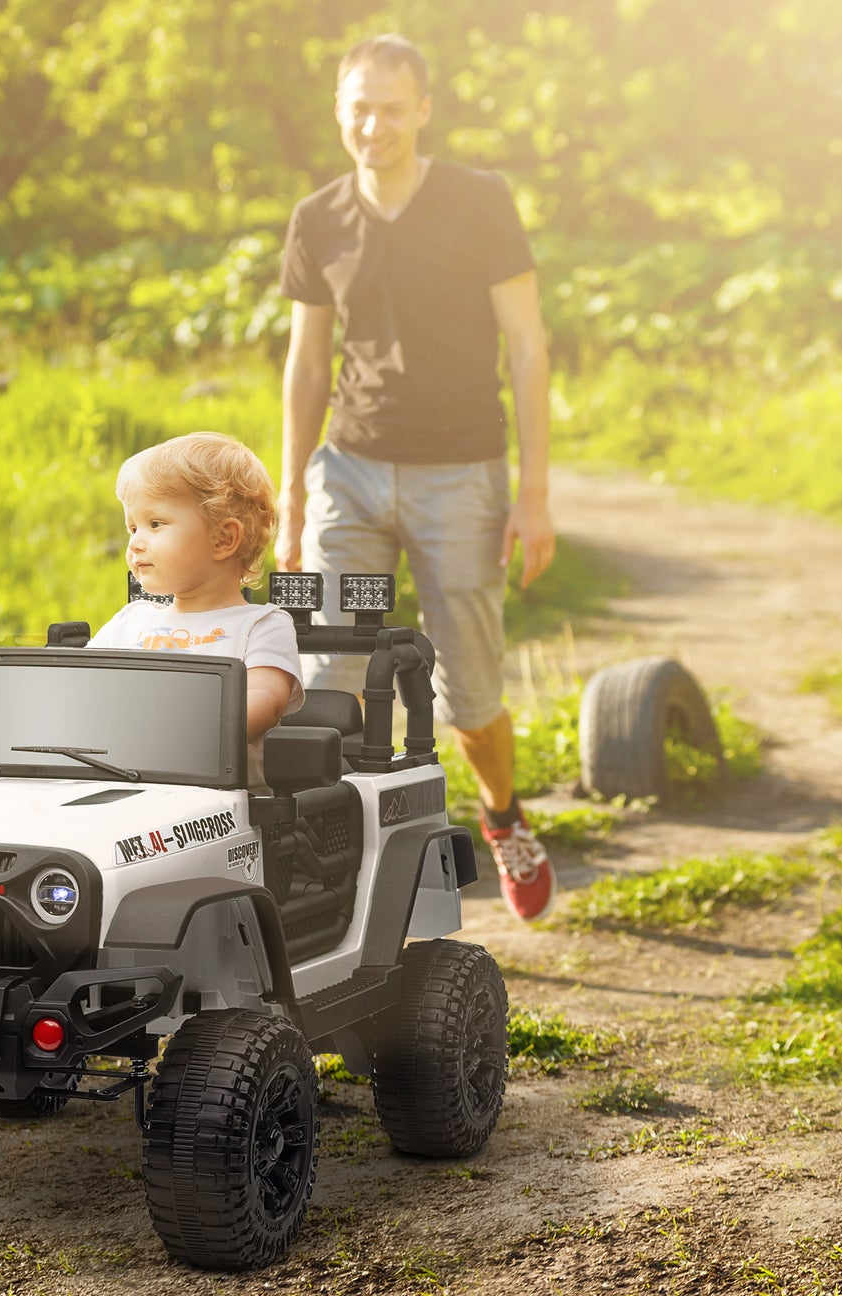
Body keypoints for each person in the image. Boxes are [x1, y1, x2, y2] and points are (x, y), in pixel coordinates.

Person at [276, 32, 558, 922]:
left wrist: (535, 490)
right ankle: (333, 861)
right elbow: (306, 364)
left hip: (459, 479)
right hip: (350, 476)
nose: (374, 124)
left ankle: (503, 816)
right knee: (330, 665)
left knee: (469, 691)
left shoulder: (479, 202)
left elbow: (527, 342)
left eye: (392, 107)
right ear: (338, 112)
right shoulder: (317, 218)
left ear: (423, 109)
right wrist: (290, 497)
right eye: (359, 107)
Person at [89, 432, 304, 787]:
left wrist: (177, 738)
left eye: (155, 524)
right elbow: (81, 689)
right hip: (122, 788)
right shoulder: (130, 622)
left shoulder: (261, 625)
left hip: (223, 808)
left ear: (223, 539)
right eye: (132, 526)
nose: (135, 543)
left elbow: (265, 701)